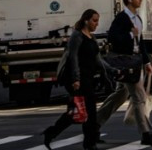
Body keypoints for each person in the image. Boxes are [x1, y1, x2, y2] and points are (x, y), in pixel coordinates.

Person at [97, 0, 152, 146]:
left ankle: (93, 124)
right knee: (139, 97)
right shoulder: (122, 18)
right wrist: (130, 35)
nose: (140, 0)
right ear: (128, 0)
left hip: (135, 60)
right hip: (125, 62)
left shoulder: (137, 18)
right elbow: (113, 37)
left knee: (121, 94)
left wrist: (147, 62)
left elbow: (141, 42)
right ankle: (146, 133)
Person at [43, 9, 115, 150]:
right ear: (86, 20)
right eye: (94, 20)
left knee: (79, 112)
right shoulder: (77, 36)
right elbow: (73, 58)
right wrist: (76, 79)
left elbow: (98, 60)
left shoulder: (91, 38)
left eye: (97, 21)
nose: (96, 24)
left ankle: (52, 132)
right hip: (77, 80)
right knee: (88, 112)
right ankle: (89, 144)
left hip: (88, 78)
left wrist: (113, 70)